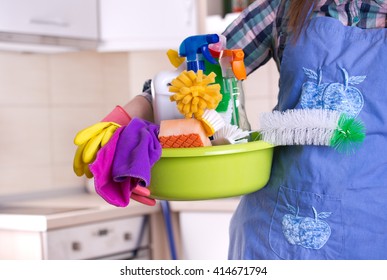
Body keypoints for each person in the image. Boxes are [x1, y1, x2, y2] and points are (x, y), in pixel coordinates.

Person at [74, 0, 387, 259]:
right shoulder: (287, 6)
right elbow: (187, 84)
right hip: (274, 231)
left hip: (372, 229)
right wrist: (116, 123)